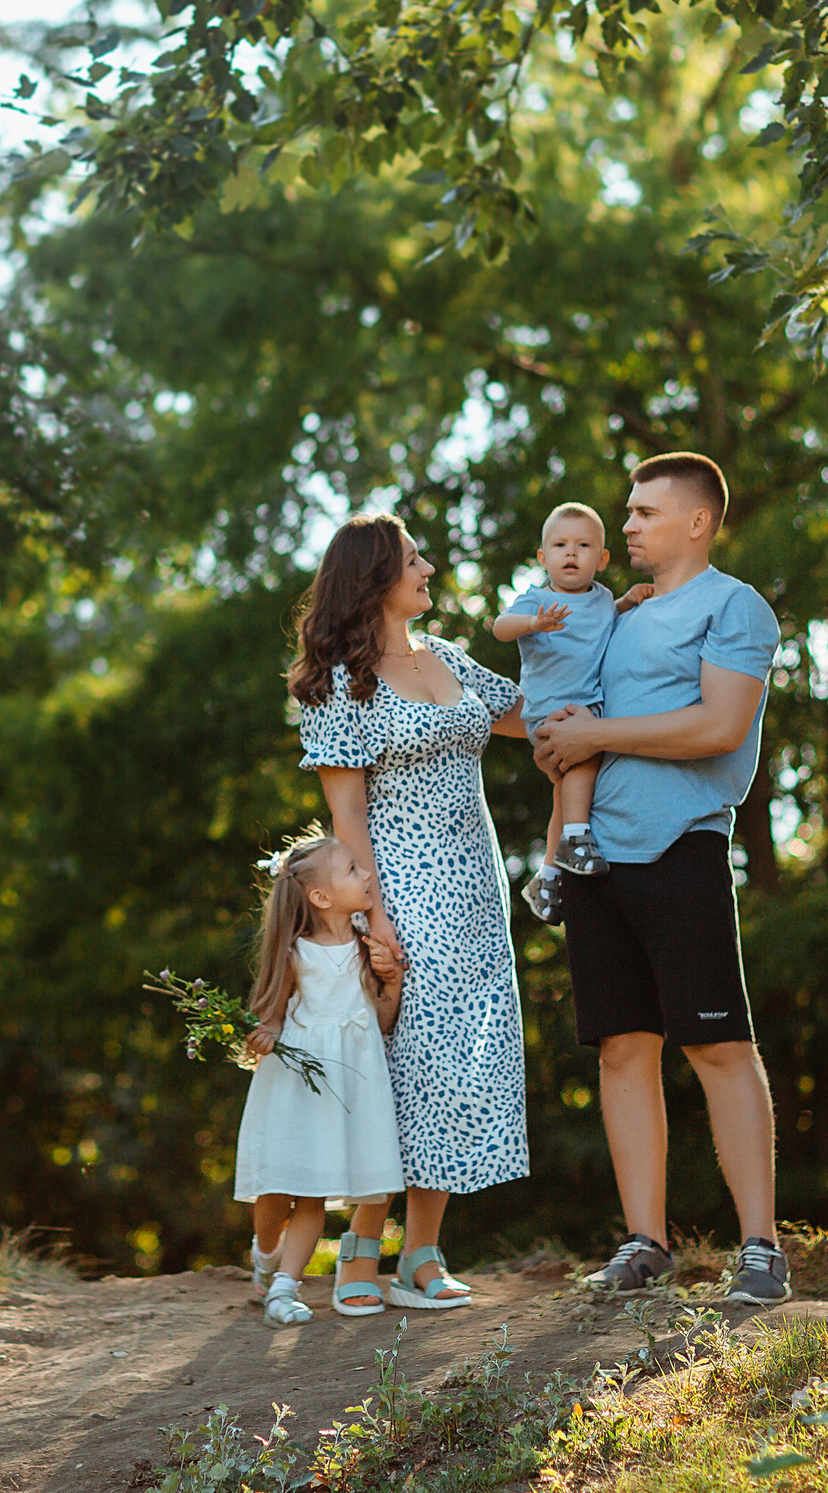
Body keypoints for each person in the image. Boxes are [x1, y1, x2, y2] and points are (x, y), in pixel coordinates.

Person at [528, 452, 791, 1305]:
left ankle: (761, 1249)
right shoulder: (614, 612)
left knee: (718, 1044)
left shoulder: (733, 605)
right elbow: (560, 702)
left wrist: (599, 734)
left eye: (643, 512)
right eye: (627, 512)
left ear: (697, 521)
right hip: (594, 856)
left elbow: (719, 725)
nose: (627, 525)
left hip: (683, 847)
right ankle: (646, 1242)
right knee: (621, 1049)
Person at [291, 514, 530, 1314]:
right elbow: (347, 818)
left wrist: (601, 618)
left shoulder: (449, 658)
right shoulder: (337, 681)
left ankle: (422, 1251)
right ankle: (361, 1242)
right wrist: (375, 920)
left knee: (461, 1067)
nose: (429, 567)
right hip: (401, 889)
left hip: (477, 891)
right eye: (412, 558)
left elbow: (532, 716)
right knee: (398, 1067)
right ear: (374, 578)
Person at [233, 828, 407, 1327]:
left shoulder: (365, 946)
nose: (367, 874)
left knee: (312, 1193)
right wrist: (264, 1032)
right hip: (295, 1085)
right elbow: (270, 1017)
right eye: (353, 869)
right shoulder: (295, 953)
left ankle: (284, 1289)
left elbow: (378, 1023)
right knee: (274, 1194)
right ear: (321, 896)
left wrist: (390, 984)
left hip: (345, 1088)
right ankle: (265, 1254)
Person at [489, 501, 656, 924]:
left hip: (586, 705)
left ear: (601, 560)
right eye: (560, 545)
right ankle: (576, 839)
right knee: (583, 762)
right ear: (543, 557)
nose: (571, 553)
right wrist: (531, 624)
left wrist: (628, 601)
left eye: (583, 546)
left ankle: (546, 875)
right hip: (550, 709)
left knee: (565, 787)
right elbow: (499, 626)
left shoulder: (601, 598)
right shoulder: (537, 600)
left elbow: (604, 621)